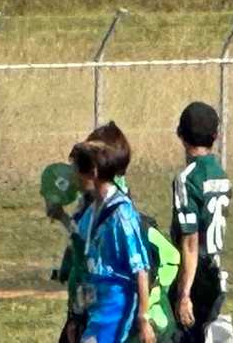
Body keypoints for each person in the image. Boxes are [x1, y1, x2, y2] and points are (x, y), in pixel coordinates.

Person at [47, 123, 134, 343]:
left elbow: (91, 253)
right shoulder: (92, 198)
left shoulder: (113, 201)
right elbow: (81, 240)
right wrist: (62, 217)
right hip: (88, 297)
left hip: (103, 302)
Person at [68, 131, 153, 343]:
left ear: (93, 172)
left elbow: (141, 269)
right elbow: (86, 268)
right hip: (95, 304)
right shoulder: (89, 213)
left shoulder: (122, 213)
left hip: (116, 305)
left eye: (78, 170)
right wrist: (76, 315)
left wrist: (143, 319)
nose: (75, 176)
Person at [170, 101, 230, 343]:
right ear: (215, 136)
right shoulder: (220, 175)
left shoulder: (187, 179)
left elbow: (191, 242)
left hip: (195, 276)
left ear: (180, 134)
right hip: (216, 272)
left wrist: (184, 294)